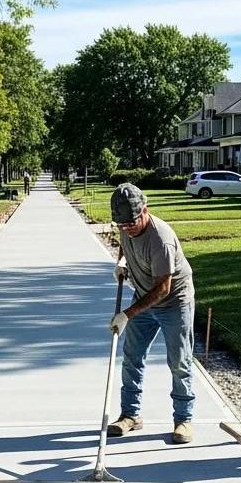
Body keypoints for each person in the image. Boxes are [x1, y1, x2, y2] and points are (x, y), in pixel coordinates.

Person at [106, 183, 196, 444]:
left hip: (173, 301)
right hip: (143, 295)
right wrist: (122, 262)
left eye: (131, 223)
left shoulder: (161, 239)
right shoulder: (125, 225)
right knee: (131, 357)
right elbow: (125, 242)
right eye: (121, 225)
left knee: (179, 362)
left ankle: (183, 419)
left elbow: (163, 289)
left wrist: (127, 314)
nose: (127, 229)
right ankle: (130, 415)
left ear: (144, 210)